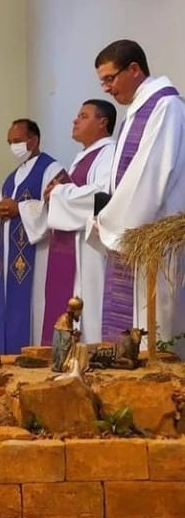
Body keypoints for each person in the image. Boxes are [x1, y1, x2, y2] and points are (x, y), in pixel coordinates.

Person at [87, 40, 185, 351]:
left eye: (110, 78)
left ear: (133, 69)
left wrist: (111, 222)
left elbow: (150, 176)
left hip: (156, 238)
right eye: (102, 81)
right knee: (136, 327)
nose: (106, 88)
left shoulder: (165, 107)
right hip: (141, 235)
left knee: (156, 329)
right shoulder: (137, 111)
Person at [41, 99, 117, 344]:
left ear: (102, 122)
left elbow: (102, 195)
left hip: (89, 248)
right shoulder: (84, 155)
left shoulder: (109, 152)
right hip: (72, 243)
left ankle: (88, 356)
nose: (75, 120)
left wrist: (59, 192)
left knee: (88, 310)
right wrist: (57, 193)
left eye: (83, 116)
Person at [0, 119, 64, 355]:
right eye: (10, 142)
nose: (14, 147)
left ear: (34, 140)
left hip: (37, 256)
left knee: (32, 309)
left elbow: (58, 206)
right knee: (6, 308)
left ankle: (31, 361)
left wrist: (19, 208)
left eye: (18, 141)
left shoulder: (52, 169)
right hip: (6, 262)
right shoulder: (12, 177)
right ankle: (4, 359)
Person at [51, 296, 89, 375]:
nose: (80, 314)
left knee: (82, 346)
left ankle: (80, 367)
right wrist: (75, 337)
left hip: (66, 349)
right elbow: (65, 344)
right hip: (61, 358)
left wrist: (73, 333)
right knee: (83, 347)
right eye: (79, 312)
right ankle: (77, 367)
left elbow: (67, 334)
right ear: (75, 311)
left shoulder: (69, 319)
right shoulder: (64, 320)